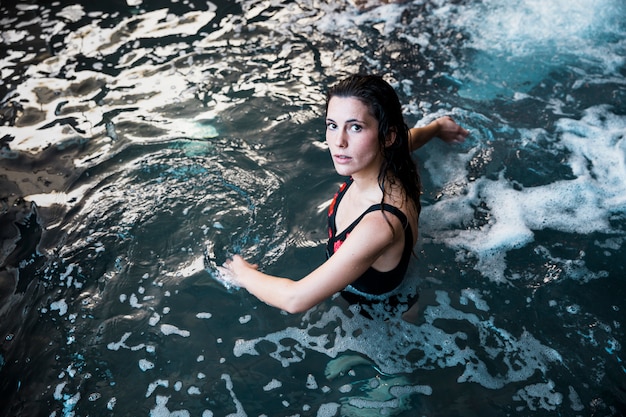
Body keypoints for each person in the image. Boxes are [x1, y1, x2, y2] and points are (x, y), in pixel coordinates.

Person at [217, 74, 468, 314]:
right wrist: (436, 128)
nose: (339, 142)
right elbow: (409, 138)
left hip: (379, 320)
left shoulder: (380, 223)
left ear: (387, 136)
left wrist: (243, 274)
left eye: (356, 127)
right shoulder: (386, 161)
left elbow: (295, 299)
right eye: (332, 126)